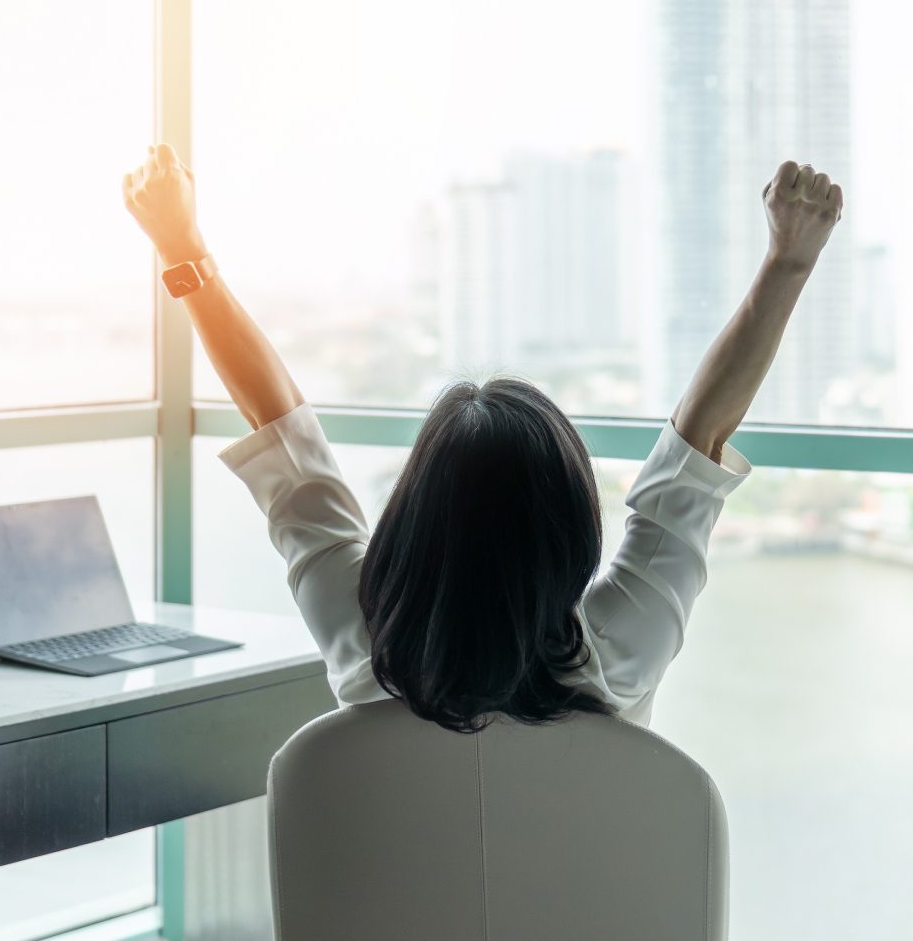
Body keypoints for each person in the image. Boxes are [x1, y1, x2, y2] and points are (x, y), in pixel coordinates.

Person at [123, 146, 843, 733]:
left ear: (412, 514)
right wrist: (788, 263)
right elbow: (695, 448)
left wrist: (180, 245)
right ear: (567, 532)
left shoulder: (358, 632)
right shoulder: (620, 651)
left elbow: (277, 426)